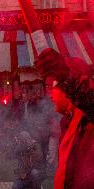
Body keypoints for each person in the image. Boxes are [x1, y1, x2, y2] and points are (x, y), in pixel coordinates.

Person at [35, 48, 94, 189]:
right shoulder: (68, 121)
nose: (50, 94)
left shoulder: (88, 117)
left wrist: (66, 78)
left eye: (52, 85)